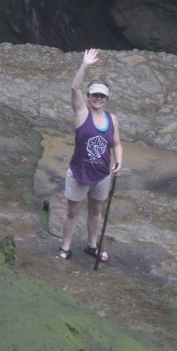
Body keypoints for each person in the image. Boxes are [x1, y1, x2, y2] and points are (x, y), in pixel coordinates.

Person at [57, 48, 122, 262]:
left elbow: (116, 143)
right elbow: (74, 87)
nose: (98, 99)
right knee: (72, 212)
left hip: (102, 174)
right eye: (95, 95)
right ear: (89, 96)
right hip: (79, 172)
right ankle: (65, 248)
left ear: (107, 98)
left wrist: (119, 161)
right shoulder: (82, 112)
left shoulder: (112, 120)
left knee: (96, 212)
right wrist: (84, 65)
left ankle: (92, 246)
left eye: (102, 96)